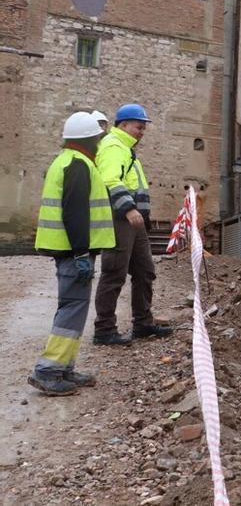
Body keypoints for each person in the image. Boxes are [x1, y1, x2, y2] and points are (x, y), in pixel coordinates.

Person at [29, 112, 116, 395]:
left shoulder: (68, 161)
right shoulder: (78, 165)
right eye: (98, 138)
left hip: (69, 250)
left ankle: (65, 368)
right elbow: (75, 212)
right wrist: (81, 253)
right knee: (72, 308)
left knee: (73, 308)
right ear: (89, 140)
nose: (100, 142)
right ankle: (49, 371)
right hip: (73, 251)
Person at [92, 103, 172, 345]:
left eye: (143, 128)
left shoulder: (127, 150)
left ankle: (143, 324)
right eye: (139, 127)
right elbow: (110, 180)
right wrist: (128, 209)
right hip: (121, 219)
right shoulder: (113, 147)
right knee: (114, 272)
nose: (142, 132)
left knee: (144, 270)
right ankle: (104, 330)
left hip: (134, 223)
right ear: (123, 125)